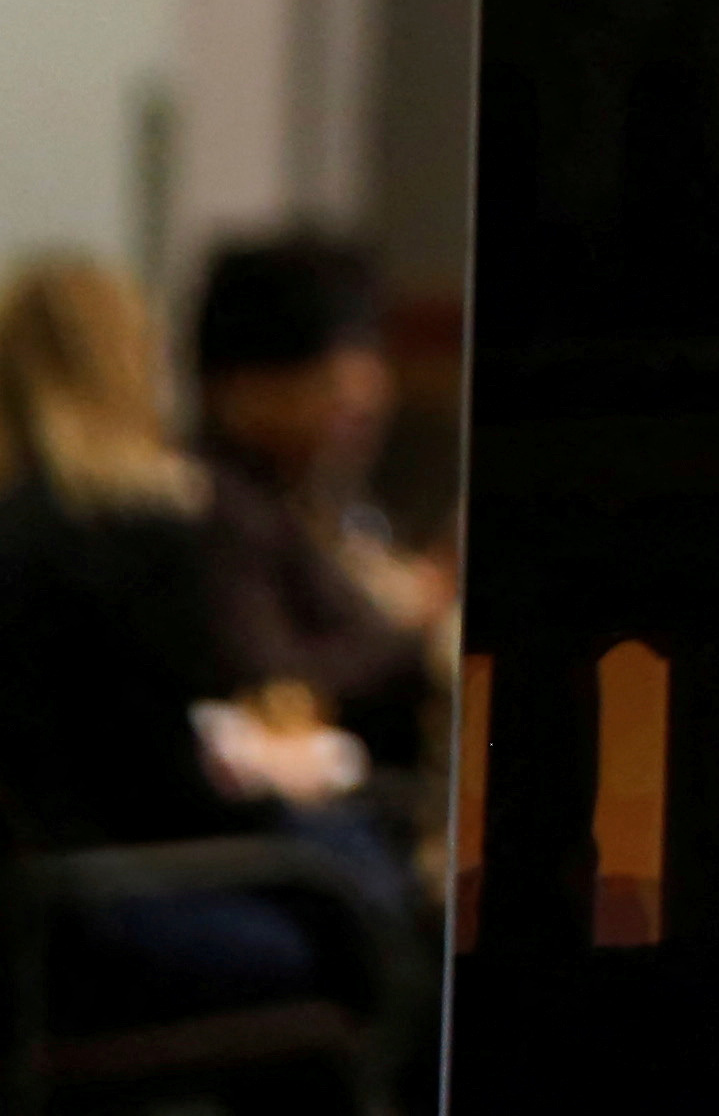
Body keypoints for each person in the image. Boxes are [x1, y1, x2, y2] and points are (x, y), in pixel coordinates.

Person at [0, 251, 397, 1049]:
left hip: (40, 914)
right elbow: (168, 790)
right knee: (366, 907)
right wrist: (272, 797)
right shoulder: (136, 531)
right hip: (116, 909)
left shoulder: (21, 529)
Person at [186, 235, 446, 788]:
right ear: (243, 383)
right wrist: (415, 630)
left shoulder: (308, 498)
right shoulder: (216, 507)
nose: (367, 395)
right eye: (330, 375)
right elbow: (273, 679)